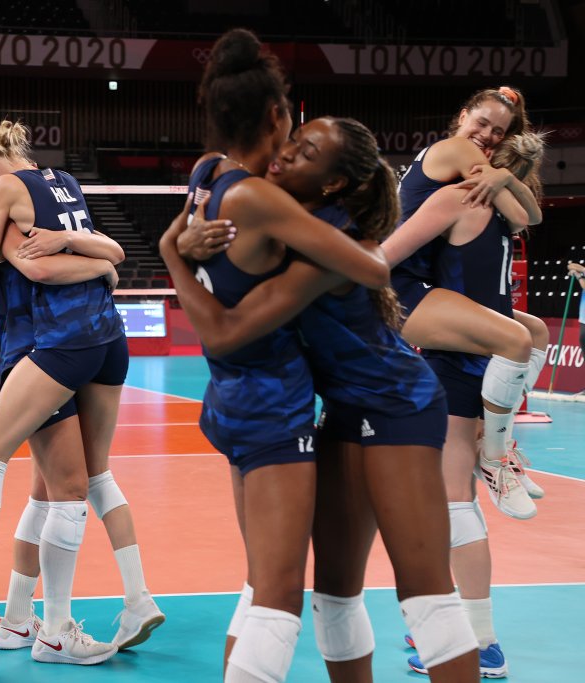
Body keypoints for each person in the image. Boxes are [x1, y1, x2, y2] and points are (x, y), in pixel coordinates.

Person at [174, 116, 480, 682]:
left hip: (397, 408)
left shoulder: (329, 244)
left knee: (425, 593)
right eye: (293, 139)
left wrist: (174, 251)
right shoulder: (284, 219)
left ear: (334, 183)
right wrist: (188, 239)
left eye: (306, 151)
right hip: (342, 410)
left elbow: (229, 327)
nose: (286, 154)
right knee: (335, 596)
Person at [157, 28, 394, 683]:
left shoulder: (207, 172)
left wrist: (174, 249)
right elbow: (372, 271)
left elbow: (172, 237)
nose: (292, 146)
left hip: (229, 400)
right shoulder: (259, 199)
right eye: (292, 127)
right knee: (279, 597)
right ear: (274, 115)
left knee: (263, 578)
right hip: (272, 404)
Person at [0, 120, 142, 666]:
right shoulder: (64, 184)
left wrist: (12, 241)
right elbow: (110, 250)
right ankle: (29, 621)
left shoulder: (7, 193)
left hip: (47, 344)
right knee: (63, 485)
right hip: (90, 335)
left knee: (12, 465)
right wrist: (101, 262)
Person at [383, 131, 546, 678]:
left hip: (456, 356)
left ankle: (481, 644)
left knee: (454, 503)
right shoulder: (508, 218)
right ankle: (501, 447)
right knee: (448, 501)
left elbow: (385, 257)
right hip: (489, 360)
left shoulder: (458, 198)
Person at [0, 225, 164, 653]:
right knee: (68, 486)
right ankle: (120, 603)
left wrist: (77, 246)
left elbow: (108, 254)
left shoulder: (47, 227)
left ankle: (25, 624)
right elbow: (59, 268)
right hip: (59, 352)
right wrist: (98, 262)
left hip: (58, 353)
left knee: (51, 491)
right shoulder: (13, 237)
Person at [390, 86, 546, 518]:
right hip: (402, 285)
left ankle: (495, 443)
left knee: (535, 332)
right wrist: (500, 179)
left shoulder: (470, 169)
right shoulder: (457, 149)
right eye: (482, 123)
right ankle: (492, 458)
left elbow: (534, 215)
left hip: (422, 281)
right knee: (514, 339)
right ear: (462, 117)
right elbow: (519, 217)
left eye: (499, 132)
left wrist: (507, 177)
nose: (488, 136)